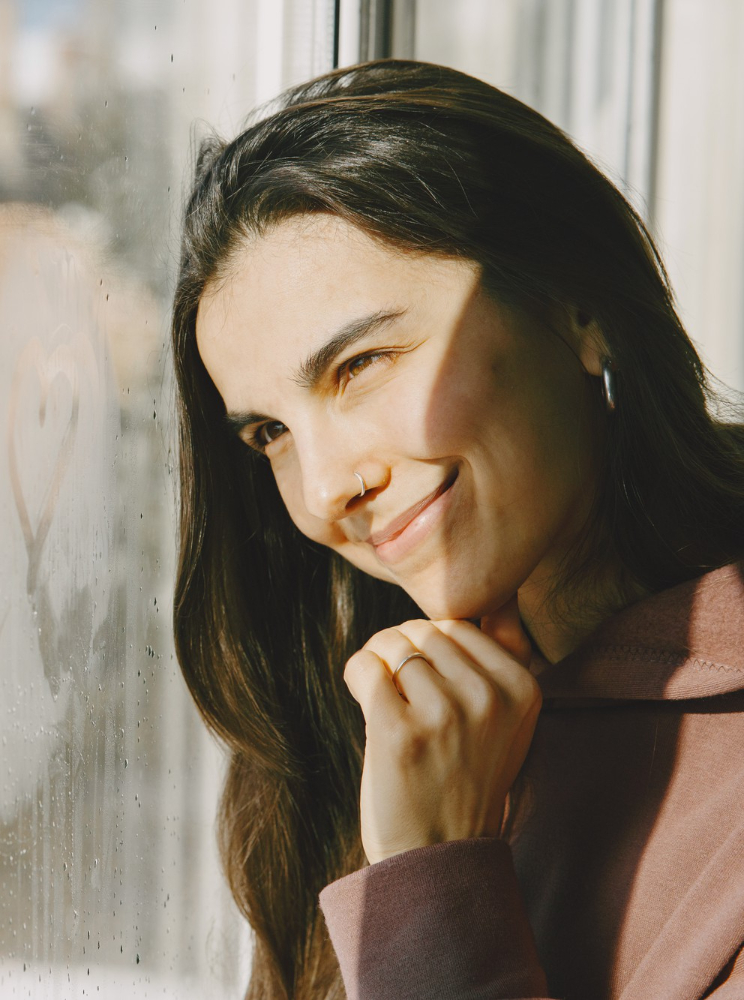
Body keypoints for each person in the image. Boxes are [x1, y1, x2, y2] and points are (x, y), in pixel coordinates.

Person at [169, 60, 744, 1000]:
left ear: (579, 309)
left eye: (361, 366)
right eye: (269, 434)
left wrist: (431, 878)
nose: (323, 490)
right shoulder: (353, 735)